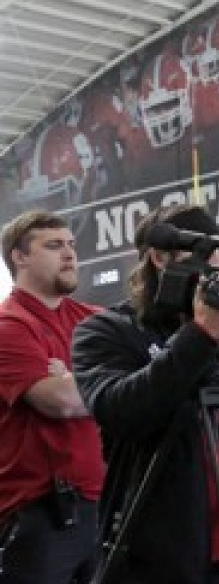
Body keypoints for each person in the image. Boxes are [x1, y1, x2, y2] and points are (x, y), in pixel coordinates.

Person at [73, 205, 219, 584]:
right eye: (206, 258)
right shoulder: (105, 330)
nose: (217, 271)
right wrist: (200, 334)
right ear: (159, 258)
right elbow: (120, 412)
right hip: (162, 548)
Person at [0, 211, 103, 584]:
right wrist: (100, 383)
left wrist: (71, 377)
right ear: (20, 256)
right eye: (54, 245)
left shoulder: (96, 320)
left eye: (72, 245)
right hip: (43, 513)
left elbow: (136, 388)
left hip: (104, 506)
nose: (70, 254)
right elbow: (59, 402)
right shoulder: (9, 326)